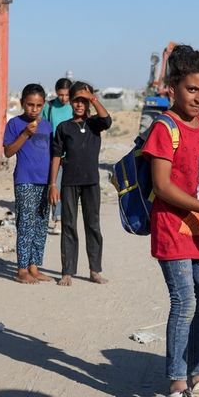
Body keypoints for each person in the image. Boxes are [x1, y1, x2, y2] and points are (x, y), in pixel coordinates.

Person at [141, 45, 199, 397]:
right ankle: (178, 382)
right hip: (173, 230)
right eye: (191, 89)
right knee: (185, 303)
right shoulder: (165, 128)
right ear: (172, 88)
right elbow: (163, 186)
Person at [49, 81, 111, 287]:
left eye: (83, 101)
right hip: (69, 182)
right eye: (76, 100)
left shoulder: (95, 124)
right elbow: (56, 156)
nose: (79, 105)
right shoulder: (64, 127)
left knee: (93, 225)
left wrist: (93, 98)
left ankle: (95, 270)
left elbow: (107, 120)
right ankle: (67, 271)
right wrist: (52, 184)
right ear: (71, 102)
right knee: (68, 225)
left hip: (91, 182)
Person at [3, 84, 54, 284]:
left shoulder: (48, 126)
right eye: (30, 104)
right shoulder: (15, 124)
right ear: (23, 103)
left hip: (45, 181)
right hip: (25, 180)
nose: (34, 109)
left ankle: (34, 267)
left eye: (38, 105)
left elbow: (52, 155)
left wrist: (53, 183)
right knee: (25, 223)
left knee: (41, 224)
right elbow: (8, 152)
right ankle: (22, 269)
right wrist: (25, 134)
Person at [43, 78, 73, 235]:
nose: (64, 98)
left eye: (67, 95)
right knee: (57, 185)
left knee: (69, 188)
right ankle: (58, 219)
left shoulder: (75, 107)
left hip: (73, 154)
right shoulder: (49, 107)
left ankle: (67, 217)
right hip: (55, 154)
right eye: (61, 95)